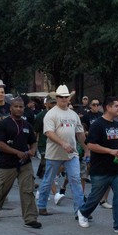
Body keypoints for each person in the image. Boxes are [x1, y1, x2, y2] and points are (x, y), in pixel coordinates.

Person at [76, 96, 118, 234]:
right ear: (108, 108)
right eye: (117, 106)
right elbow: (91, 145)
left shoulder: (117, 125)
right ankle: (83, 212)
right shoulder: (98, 125)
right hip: (100, 169)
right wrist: (110, 151)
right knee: (95, 196)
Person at [36, 85, 89, 217]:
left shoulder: (73, 114)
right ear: (57, 98)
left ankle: (80, 210)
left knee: (75, 179)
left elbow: (80, 133)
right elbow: (48, 133)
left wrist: (87, 149)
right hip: (54, 153)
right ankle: (41, 205)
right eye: (61, 97)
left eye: (66, 97)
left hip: (71, 154)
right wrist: (63, 143)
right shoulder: (51, 114)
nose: (64, 99)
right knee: (48, 180)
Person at [0, 97, 41, 229]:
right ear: (11, 108)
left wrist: (33, 150)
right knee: (1, 189)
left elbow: (33, 141)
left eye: (21, 107)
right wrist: (16, 152)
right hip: (8, 163)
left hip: (25, 163)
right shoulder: (4, 124)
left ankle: (30, 218)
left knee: (28, 190)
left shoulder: (27, 125)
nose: (19, 109)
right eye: (16, 106)